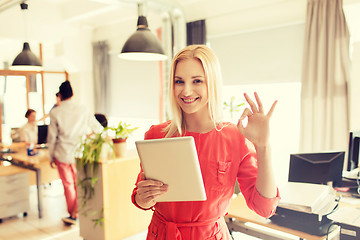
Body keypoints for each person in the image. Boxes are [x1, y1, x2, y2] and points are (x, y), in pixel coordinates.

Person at [131, 45, 280, 239]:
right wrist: (143, 198)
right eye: (179, 81)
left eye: (197, 81)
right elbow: (140, 198)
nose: (186, 90)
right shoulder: (156, 134)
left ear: (212, 83)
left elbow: (264, 208)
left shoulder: (235, 137)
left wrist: (264, 145)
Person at [47, 80, 103, 225]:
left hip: (62, 154)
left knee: (68, 185)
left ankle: (73, 215)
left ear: (60, 95)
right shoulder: (83, 109)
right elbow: (98, 128)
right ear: (72, 94)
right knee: (79, 184)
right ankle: (77, 213)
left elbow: (52, 137)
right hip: (80, 153)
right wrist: (88, 137)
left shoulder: (55, 112)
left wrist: (50, 155)